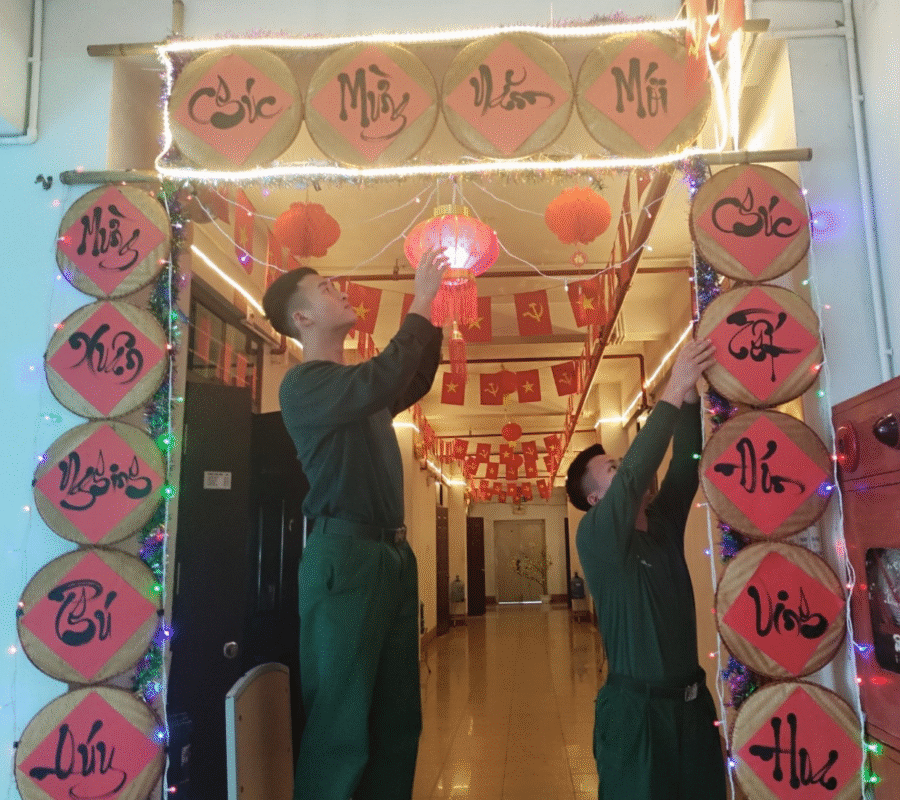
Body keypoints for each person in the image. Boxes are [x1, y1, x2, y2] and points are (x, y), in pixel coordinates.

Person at [261, 248, 449, 800]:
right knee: (340, 724)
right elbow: (382, 378)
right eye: (325, 288)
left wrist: (434, 309)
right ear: (302, 318)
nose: (340, 290)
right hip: (345, 558)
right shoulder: (304, 386)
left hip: (391, 557)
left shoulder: (358, 392)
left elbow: (410, 378)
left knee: (397, 717)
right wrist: (418, 300)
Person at [564, 337, 726, 800]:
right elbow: (637, 472)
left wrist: (689, 397)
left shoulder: (661, 524)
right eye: (613, 469)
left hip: (692, 710)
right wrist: (672, 387)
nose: (627, 471)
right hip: (637, 714)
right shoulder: (596, 536)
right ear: (596, 499)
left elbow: (685, 466)